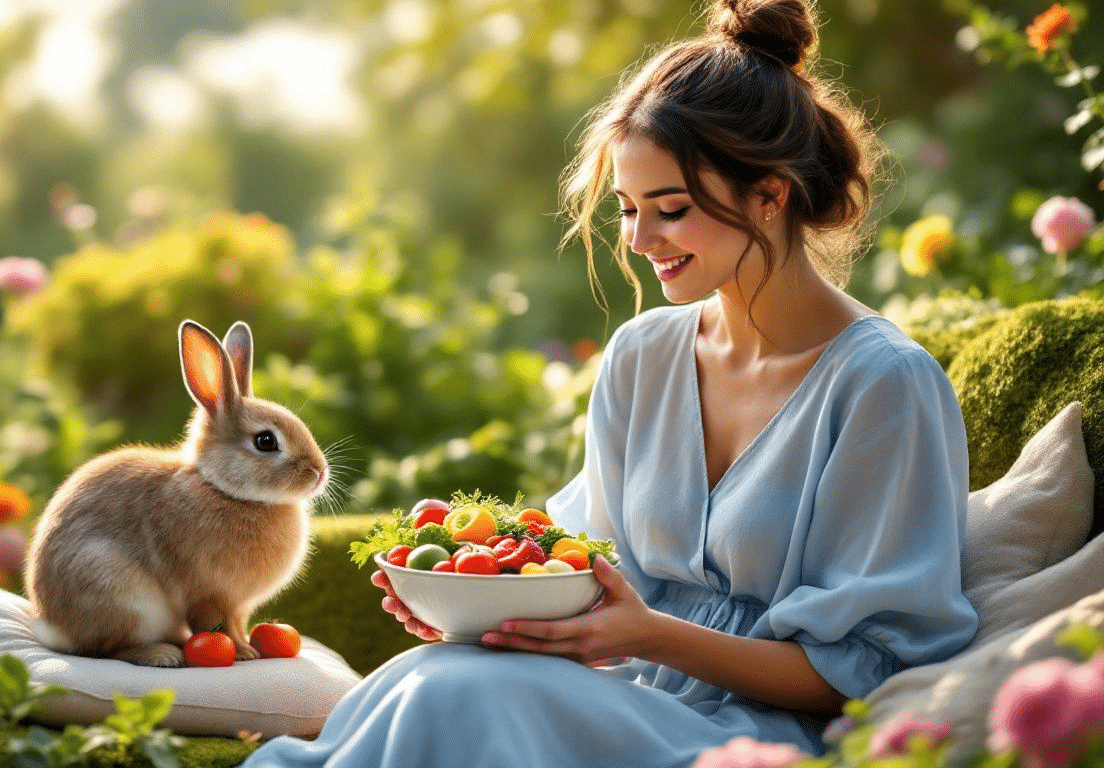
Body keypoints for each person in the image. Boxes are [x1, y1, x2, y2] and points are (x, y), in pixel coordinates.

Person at [242, 0, 978, 765]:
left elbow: (872, 670)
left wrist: (651, 634)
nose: (637, 239)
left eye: (671, 208)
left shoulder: (883, 386)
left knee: (456, 695)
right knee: (433, 671)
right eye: (628, 209)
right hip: (622, 692)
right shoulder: (642, 356)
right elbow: (586, 567)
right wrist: (479, 606)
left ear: (770, 193)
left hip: (761, 733)